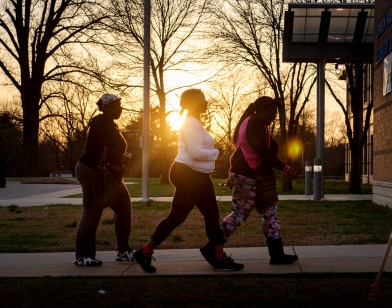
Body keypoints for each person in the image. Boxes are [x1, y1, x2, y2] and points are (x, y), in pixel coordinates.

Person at [133, 88, 243, 273]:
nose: (206, 102)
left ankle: (218, 257)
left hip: (199, 175)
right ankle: (144, 252)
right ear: (194, 103)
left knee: (212, 216)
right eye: (203, 99)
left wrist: (212, 156)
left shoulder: (195, 123)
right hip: (187, 174)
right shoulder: (190, 123)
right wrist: (217, 153)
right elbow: (196, 153)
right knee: (177, 217)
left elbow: (199, 152)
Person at [220, 96, 299, 265]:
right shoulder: (254, 123)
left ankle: (277, 255)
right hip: (246, 176)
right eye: (271, 112)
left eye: (275, 113)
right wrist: (285, 168)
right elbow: (263, 151)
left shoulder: (252, 121)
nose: (273, 116)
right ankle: (213, 247)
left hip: (259, 177)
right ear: (261, 110)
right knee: (239, 214)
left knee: (270, 214)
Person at [74, 94, 133, 266]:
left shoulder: (109, 124)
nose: (121, 108)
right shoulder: (101, 123)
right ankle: (83, 256)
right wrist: (121, 157)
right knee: (92, 212)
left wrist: (120, 158)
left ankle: (123, 251)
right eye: (117, 105)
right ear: (107, 107)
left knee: (123, 207)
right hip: (93, 172)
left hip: (108, 173)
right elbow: (96, 151)